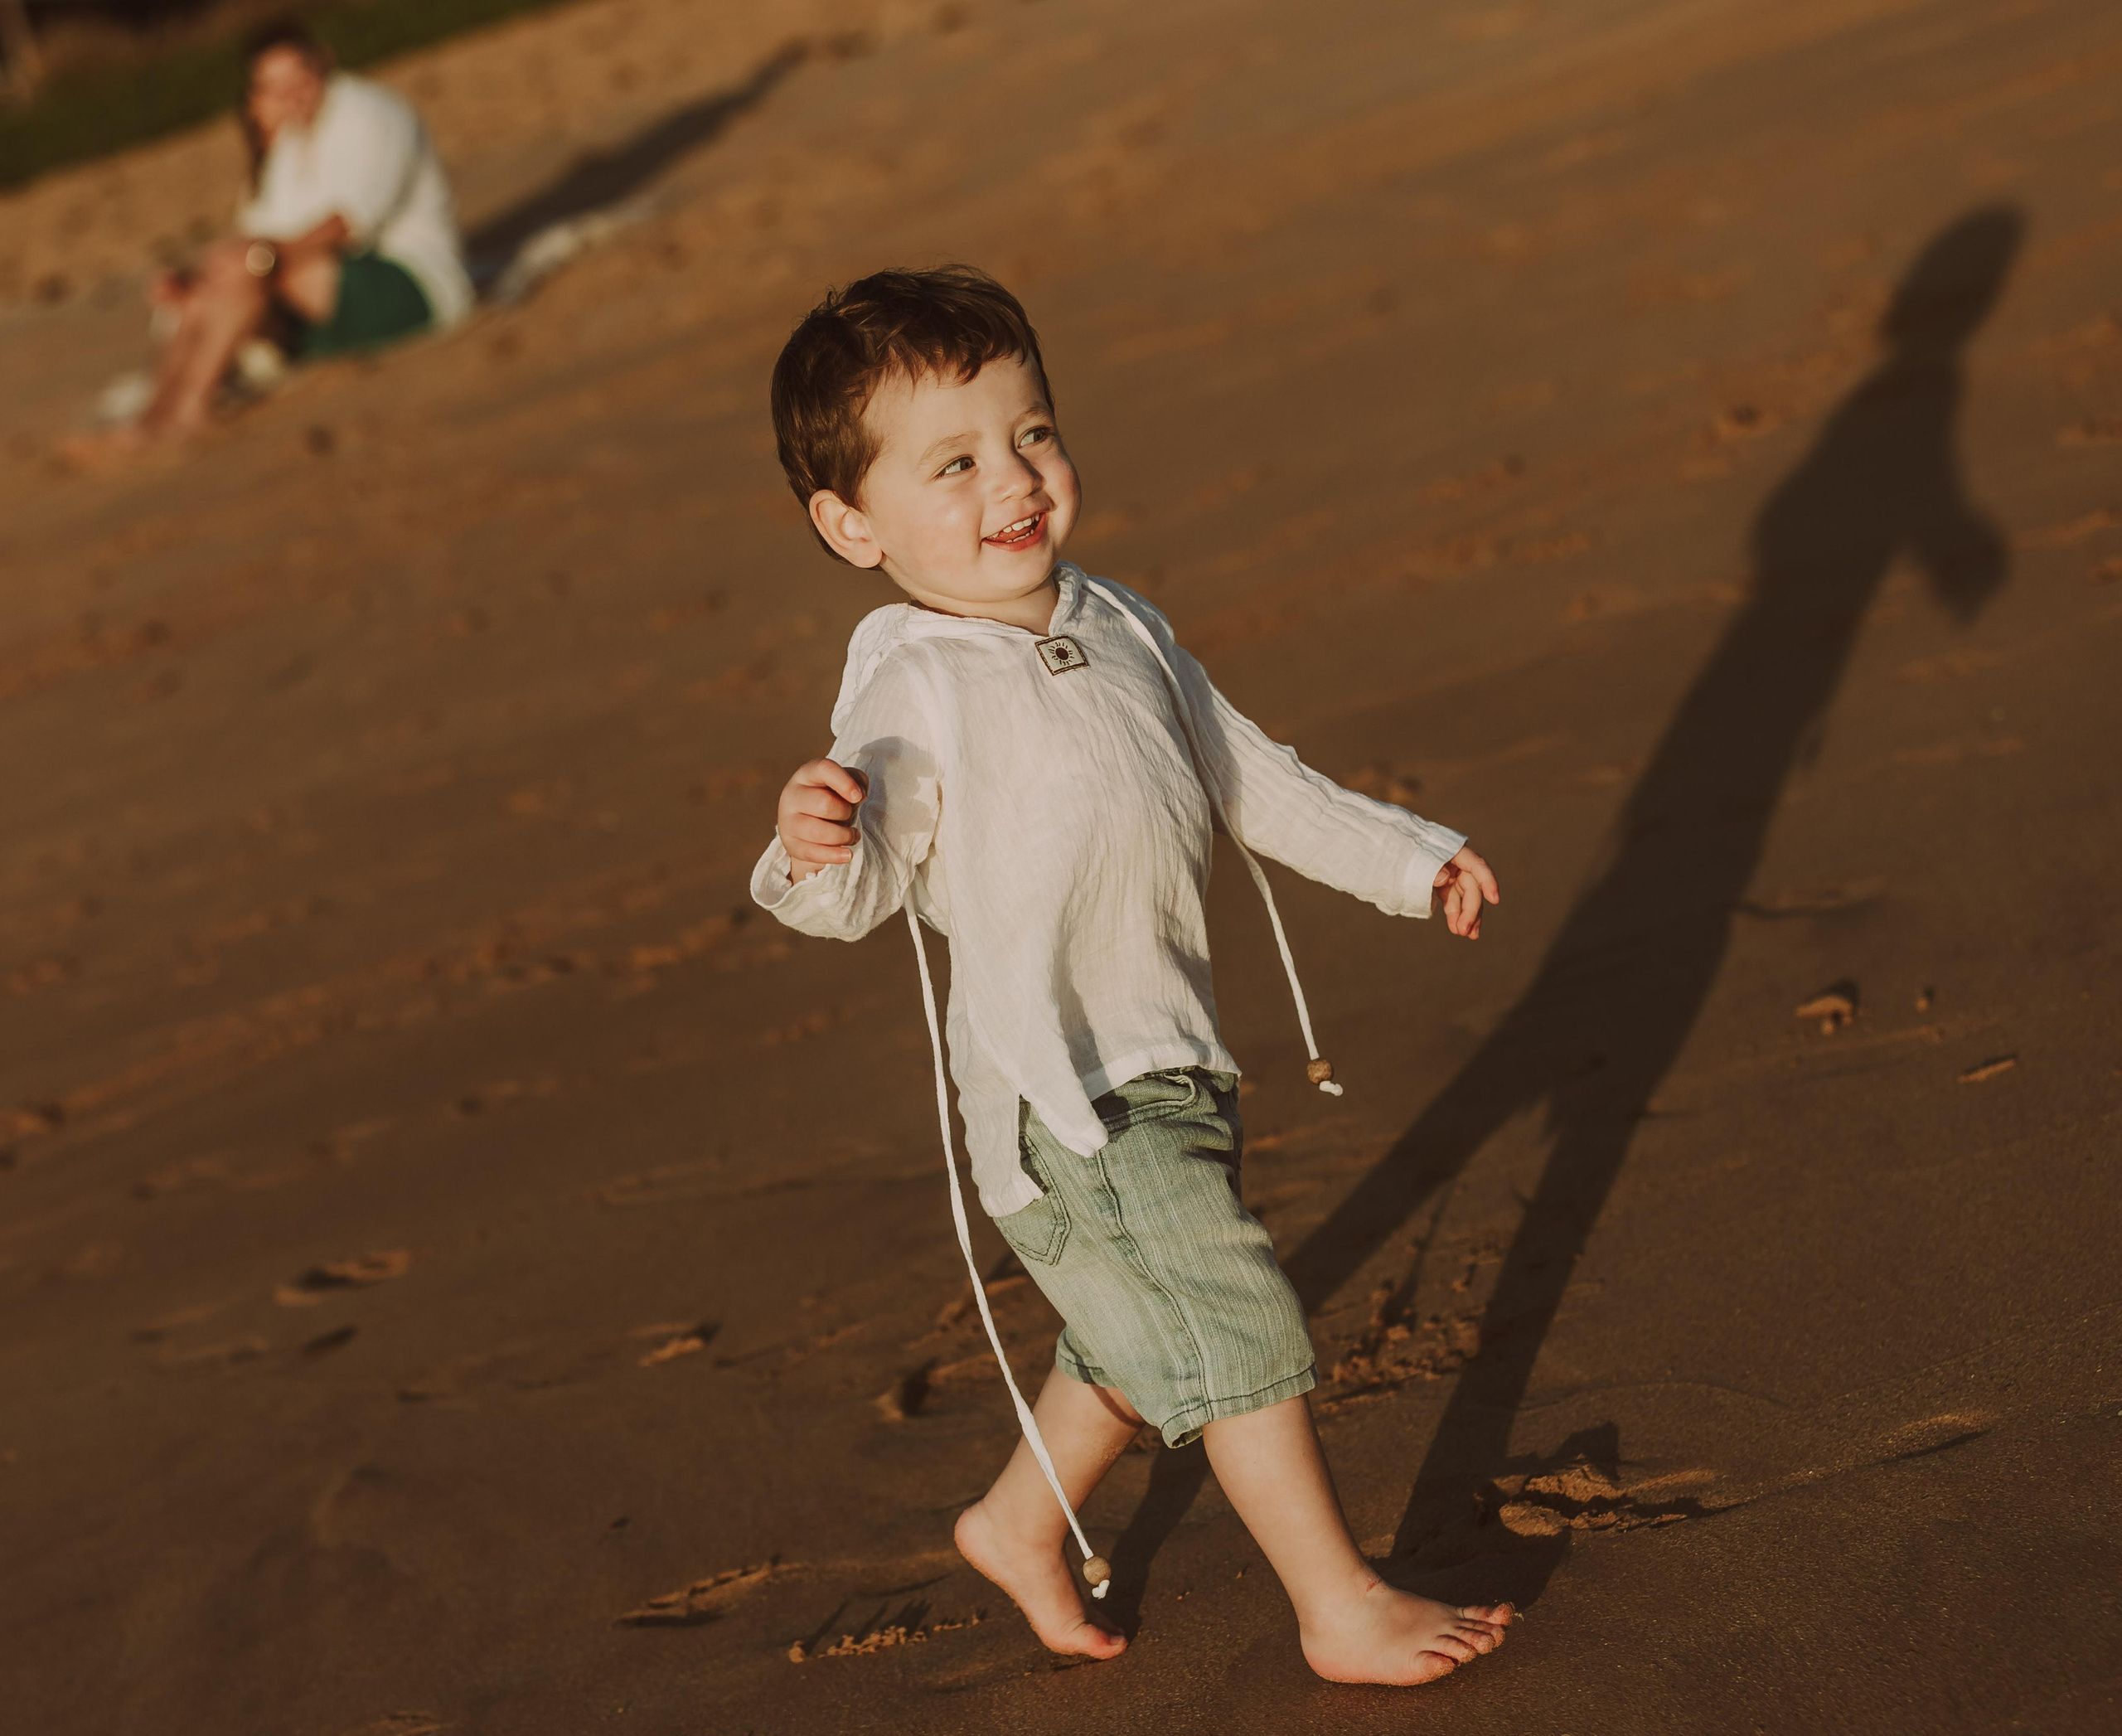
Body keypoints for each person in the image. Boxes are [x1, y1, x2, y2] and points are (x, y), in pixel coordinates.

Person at [751, 266, 1514, 1685]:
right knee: (1230, 1308)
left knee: (1134, 1321)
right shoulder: (915, 687)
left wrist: (1410, 860)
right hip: (1062, 1093)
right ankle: (1338, 1602)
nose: (1014, 478)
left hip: (1172, 1049)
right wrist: (815, 845)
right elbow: (864, 885)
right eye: (954, 464)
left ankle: (1016, 1520)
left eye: (1032, 432)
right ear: (854, 524)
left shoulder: (1121, 619)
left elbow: (1251, 778)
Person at [84, 18, 472, 455]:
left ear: (322, 62)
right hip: (329, 292)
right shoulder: (290, 142)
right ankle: (157, 415)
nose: (292, 95)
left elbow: (349, 224)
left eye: (299, 78)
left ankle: (190, 410)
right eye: (276, 87)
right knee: (198, 292)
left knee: (250, 270)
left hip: (413, 286)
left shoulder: (372, 112)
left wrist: (258, 258)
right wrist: (196, 278)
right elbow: (260, 236)